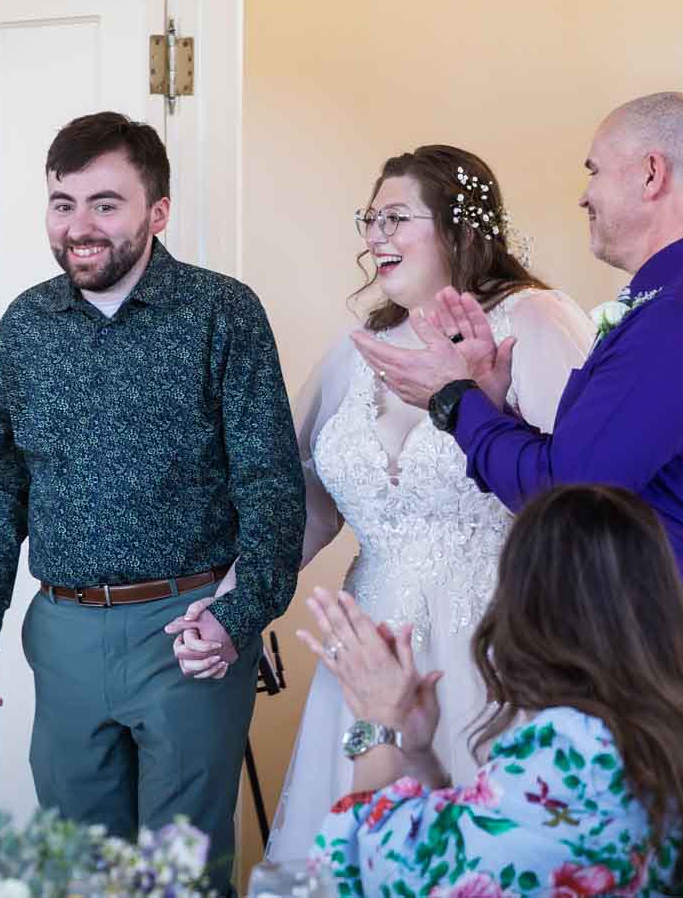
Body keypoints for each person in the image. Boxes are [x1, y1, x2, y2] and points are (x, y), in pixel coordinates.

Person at [196, 145, 593, 866]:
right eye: (368, 218)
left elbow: (580, 489)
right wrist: (233, 602)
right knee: (367, 853)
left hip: (503, 638)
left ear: (459, 226)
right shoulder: (355, 352)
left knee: (486, 855)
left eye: (394, 217)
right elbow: (305, 507)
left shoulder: (531, 321)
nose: (373, 235)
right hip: (371, 641)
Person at [353, 92, 683, 767]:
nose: (584, 195)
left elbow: (569, 494)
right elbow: (586, 464)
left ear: (650, 173)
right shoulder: (682, 297)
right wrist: (495, 400)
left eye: (593, 170)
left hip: (666, 672)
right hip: (645, 661)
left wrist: (455, 401)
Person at [0, 110, 304, 893]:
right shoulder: (25, 325)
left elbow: (275, 488)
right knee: (77, 873)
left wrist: (240, 615)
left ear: (157, 212)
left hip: (188, 628)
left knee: (182, 878)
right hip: (64, 631)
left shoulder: (222, 312)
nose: (79, 226)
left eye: (105, 203)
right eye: (63, 203)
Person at [301, 483, 683, 897]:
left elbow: (358, 878)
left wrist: (377, 725)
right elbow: (473, 849)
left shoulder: (572, 750)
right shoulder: (668, 728)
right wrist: (418, 753)